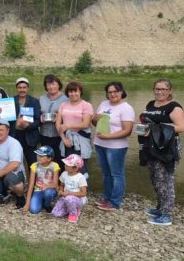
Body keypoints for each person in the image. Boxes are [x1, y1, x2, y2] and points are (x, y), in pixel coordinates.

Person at [139, 78, 184, 226]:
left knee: (166, 180)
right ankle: (160, 207)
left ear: (169, 91)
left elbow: (180, 127)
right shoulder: (151, 105)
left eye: (163, 89)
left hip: (167, 149)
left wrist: (155, 129)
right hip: (152, 147)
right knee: (155, 178)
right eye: (157, 89)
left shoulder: (174, 107)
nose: (159, 92)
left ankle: (167, 215)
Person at [92, 82, 135, 211]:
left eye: (115, 91)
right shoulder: (104, 104)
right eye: (110, 92)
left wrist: (108, 137)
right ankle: (107, 197)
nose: (112, 94)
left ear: (121, 92)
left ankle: (115, 202)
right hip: (100, 143)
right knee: (106, 173)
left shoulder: (126, 108)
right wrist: (95, 118)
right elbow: (95, 122)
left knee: (117, 174)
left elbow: (127, 131)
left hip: (116, 146)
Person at [56, 81, 93, 178]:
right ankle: (69, 189)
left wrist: (68, 125)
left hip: (81, 140)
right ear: (67, 93)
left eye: (75, 91)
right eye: (70, 91)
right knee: (68, 166)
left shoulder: (86, 105)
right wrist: (63, 139)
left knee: (81, 166)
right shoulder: (63, 105)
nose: (73, 94)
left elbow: (85, 124)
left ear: (80, 92)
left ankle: (82, 191)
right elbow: (58, 124)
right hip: (66, 139)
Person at [9, 77, 41, 168]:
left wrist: (28, 125)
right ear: (16, 88)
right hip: (14, 134)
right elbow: (6, 119)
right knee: (14, 161)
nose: (22, 90)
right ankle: (17, 181)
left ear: (28, 88)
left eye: (24, 87)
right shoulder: (11, 101)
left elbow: (38, 120)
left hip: (29, 136)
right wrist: (1, 112)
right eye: (20, 87)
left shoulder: (34, 101)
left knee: (32, 162)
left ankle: (33, 181)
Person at [39, 74, 69, 168]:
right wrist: (40, 118)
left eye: (53, 84)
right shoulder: (42, 98)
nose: (51, 87)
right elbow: (38, 113)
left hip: (59, 135)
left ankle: (60, 181)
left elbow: (70, 116)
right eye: (48, 85)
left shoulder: (66, 99)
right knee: (46, 159)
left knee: (59, 160)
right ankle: (47, 180)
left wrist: (60, 117)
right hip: (44, 134)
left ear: (58, 85)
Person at [52, 154, 88, 224]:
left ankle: (74, 213)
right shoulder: (64, 174)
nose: (65, 166)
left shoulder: (80, 178)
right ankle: (70, 208)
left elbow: (84, 193)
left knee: (69, 199)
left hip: (78, 199)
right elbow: (62, 185)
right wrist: (60, 191)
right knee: (55, 213)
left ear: (75, 168)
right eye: (65, 164)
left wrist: (69, 193)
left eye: (68, 165)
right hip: (66, 197)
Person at [23, 146, 59, 214]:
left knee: (48, 193)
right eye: (37, 155)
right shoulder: (34, 165)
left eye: (41, 156)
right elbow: (31, 184)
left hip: (50, 189)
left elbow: (55, 184)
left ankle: (47, 205)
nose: (38, 157)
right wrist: (27, 204)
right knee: (34, 210)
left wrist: (46, 187)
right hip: (38, 190)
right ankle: (43, 201)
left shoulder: (54, 165)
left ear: (49, 158)